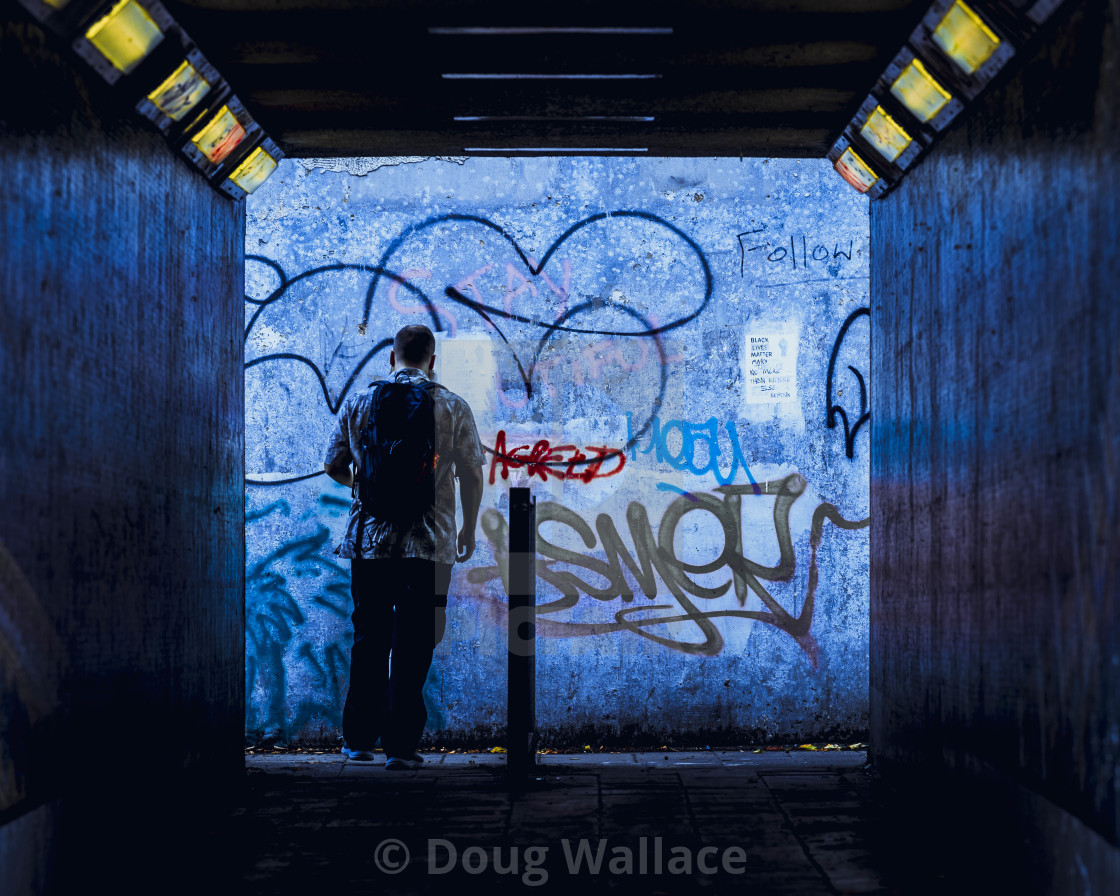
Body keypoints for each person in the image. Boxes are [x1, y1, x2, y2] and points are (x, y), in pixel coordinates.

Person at [323, 324, 484, 770]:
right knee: (416, 641)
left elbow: (332, 463)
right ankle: (400, 746)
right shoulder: (451, 406)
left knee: (369, 637)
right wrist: (468, 528)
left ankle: (357, 741)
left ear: (392, 358)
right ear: (432, 361)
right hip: (428, 547)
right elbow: (472, 473)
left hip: (368, 547)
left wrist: (365, 486)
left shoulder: (360, 403)